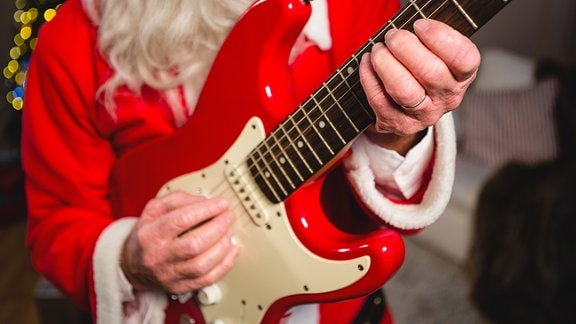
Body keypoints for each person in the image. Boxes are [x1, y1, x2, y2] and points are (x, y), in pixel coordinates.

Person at [21, 0, 480, 323]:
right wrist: (131, 258)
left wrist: (402, 128)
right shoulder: (71, 37)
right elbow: (55, 225)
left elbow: (399, 214)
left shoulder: (352, 4)